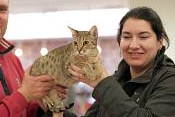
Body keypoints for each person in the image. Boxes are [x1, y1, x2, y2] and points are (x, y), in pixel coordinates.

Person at [43, 6, 175, 117]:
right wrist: (51, 106)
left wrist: (102, 82)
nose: (134, 45)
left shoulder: (169, 79)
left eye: (143, 37)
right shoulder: (117, 80)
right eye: (127, 37)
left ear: (160, 42)